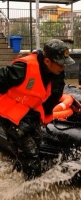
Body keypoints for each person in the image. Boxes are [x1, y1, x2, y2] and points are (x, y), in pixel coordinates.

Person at [0, 39, 75, 180]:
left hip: (30, 112)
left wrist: (46, 117)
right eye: (60, 63)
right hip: (11, 114)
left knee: (37, 143)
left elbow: (54, 95)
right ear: (47, 61)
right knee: (30, 154)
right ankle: (32, 191)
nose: (63, 67)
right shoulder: (23, 68)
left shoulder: (57, 72)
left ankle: (17, 174)